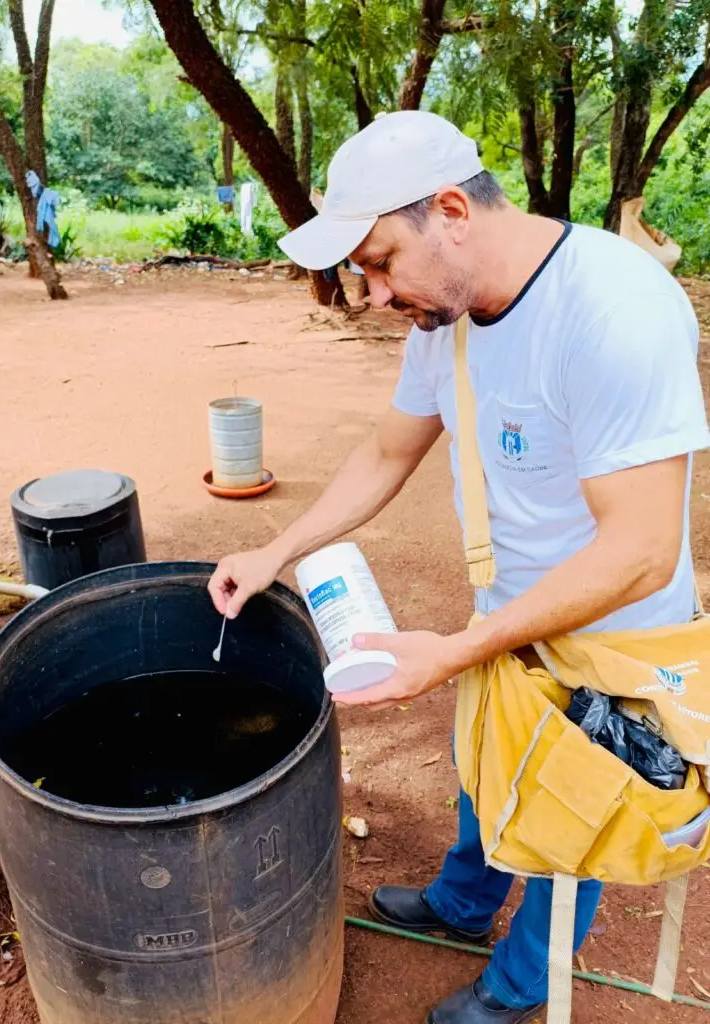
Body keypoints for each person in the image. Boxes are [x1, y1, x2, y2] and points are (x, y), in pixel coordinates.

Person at [208, 111, 710, 1024]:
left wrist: (457, 646)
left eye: (377, 260)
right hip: (507, 614)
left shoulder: (615, 310)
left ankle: (520, 987)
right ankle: (464, 905)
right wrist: (274, 551)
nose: (369, 292)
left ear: (450, 211)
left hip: (610, 639)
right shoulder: (446, 320)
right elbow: (387, 453)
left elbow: (641, 553)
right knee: (483, 767)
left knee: (567, 822)